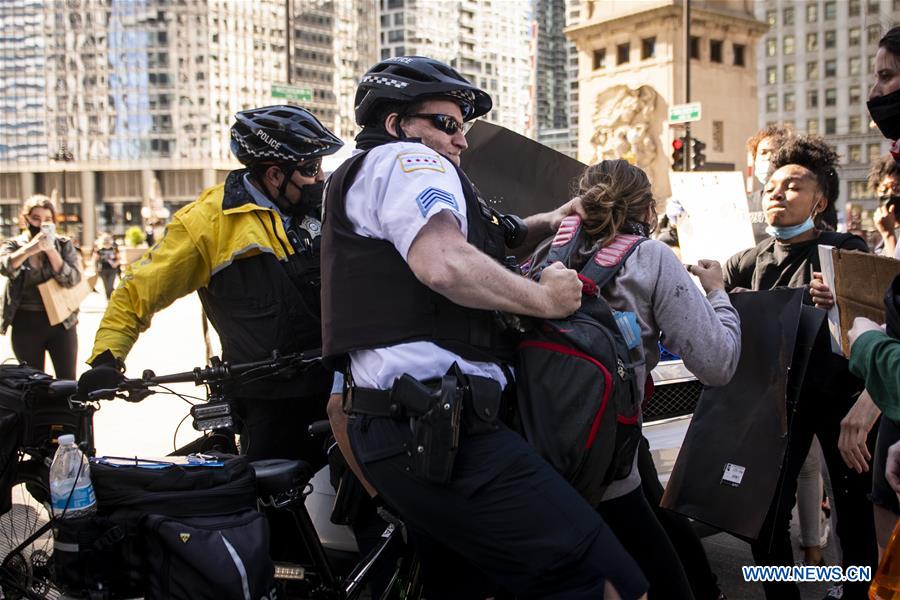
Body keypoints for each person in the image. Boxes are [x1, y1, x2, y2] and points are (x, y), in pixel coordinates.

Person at [322, 56, 647, 599]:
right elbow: (445, 263)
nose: (461, 141)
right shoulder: (406, 160)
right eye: (446, 124)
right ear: (399, 124)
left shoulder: (363, 175)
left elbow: (496, 235)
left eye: (463, 127)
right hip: (446, 431)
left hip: (406, 430)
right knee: (613, 584)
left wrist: (553, 217)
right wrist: (545, 298)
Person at [79, 105, 343, 470]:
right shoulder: (207, 223)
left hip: (337, 387)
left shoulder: (326, 209)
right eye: (311, 169)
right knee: (275, 510)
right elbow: (137, 291)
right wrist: (108, 357)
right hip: (266, 402)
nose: (320, 177)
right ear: (273, 174)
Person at [525, 159, 741, 599]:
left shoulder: (547, 251)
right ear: (649, 210)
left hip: (540, 447)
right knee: (662, 578)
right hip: (607, 462)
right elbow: (717, 363)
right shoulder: (651, 257)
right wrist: (718, 293)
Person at [723, 135, 878, 600]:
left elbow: (881, 318)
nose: (776, 193)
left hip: (843, 407)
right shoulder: (743, 263)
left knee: (855, 518)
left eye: (793, 186)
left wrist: (844, 301)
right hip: (775, 410)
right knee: (765, 520)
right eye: (771, 186)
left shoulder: (845, 251)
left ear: (821, 200)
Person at [0, 195, 81, 379]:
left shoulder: (63, 244)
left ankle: (66, 410)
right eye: (36, 218)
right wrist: (30, 249)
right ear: (26, 218)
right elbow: (4, 267)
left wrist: (50, 250)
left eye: (47, 219)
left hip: (61, 321)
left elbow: (73, 278)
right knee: (32, 382)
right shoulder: (14, 244)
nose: (41, 223)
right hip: (25, 322)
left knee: (67, 380)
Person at [747, 125, 794, 242]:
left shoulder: (796, 199)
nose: (768, 158)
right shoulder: (746, 203)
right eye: (763, 152)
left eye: (774, 152)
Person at [868, 155, 900, 257]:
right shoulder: (881, 242)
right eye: (884, 190)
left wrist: (889, 235)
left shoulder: (888, 232)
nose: (890, 194)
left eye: (896, 188)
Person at [92, 232, 120, 299]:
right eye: (105, 239)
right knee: (106, 287)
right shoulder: (99, 250)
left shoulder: (114, 249)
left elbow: (119, 259)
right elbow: (95, 260)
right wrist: (95, 269)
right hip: (103, 270)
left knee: (110, 286)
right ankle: (108, 299)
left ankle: (110, 299)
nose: (106, 240)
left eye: (108, 239)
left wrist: (115, 264)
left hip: (112, 270)